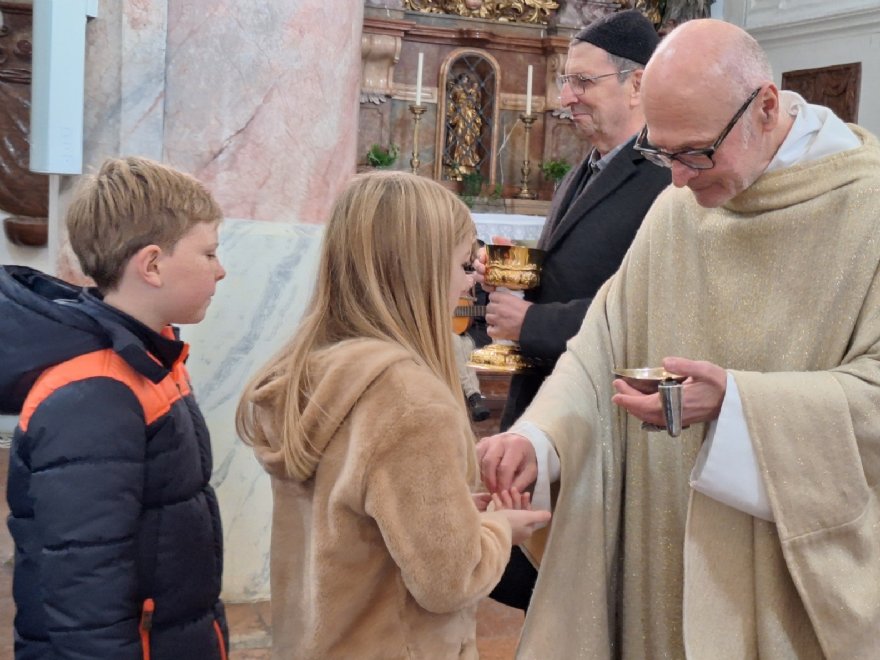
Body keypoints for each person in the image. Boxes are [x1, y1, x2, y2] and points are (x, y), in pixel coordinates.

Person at [478, 18, 880, 658]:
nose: (677, 181)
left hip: (777, 568)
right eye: (661, 155)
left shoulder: (867, 207)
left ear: (767, 107)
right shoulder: (678, 208)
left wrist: (740, 406)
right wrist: (540, 439)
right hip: (654, 541)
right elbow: (600, 348)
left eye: (694, 152)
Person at [235, 171, 550, 659]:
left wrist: (459, 512)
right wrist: (501, 528)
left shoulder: (312, 369)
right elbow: (449, 579)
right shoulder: (410, 400)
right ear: (418, 269)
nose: (472, 278)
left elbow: (360, 521)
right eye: (464, 262)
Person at [476, 9, 671, 610]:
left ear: (636, 84)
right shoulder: (586, 166)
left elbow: (651, 302)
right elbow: (570, 264)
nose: (566, 98)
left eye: (582, 82)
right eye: (566, 82)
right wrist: (504, 275)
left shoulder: (666, 175)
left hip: (601, 411)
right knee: (536, 566)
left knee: (581, 583)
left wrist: (532, 323)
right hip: (543, 398)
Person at [1, 157, 229, 658]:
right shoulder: (95, 395)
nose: (221, 269)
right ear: (151, 265)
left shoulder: (151, 354)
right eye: (209, 253)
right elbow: (85, 589)